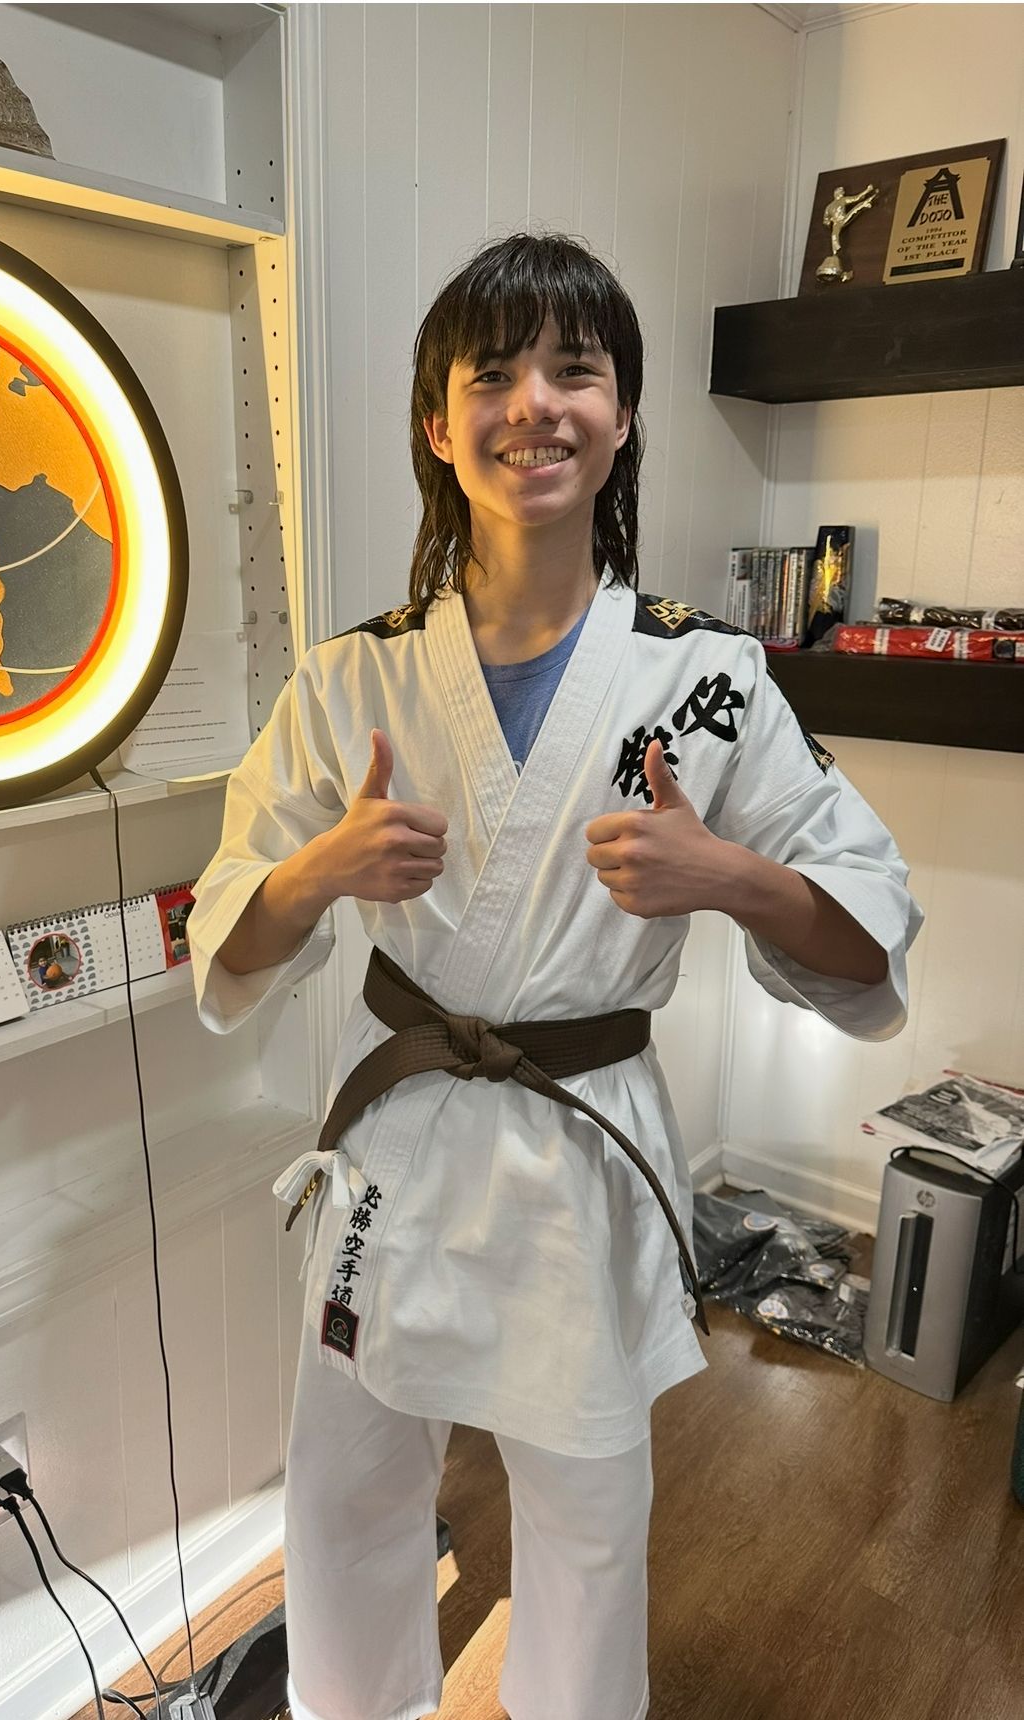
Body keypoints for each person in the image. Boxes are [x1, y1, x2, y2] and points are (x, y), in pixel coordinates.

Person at [188, 233, 922, 1720]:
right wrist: (324, 869)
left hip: (579, 1136)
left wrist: (724, 876)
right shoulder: (348, 680)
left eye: (574, 371)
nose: (537, 404)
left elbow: (867, 931)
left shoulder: (702, 677)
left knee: (588, 1519)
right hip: (392, 1137)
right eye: (495, 373)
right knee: (344, 1499)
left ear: (622, 415)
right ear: (434, 423)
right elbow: (229, 936)